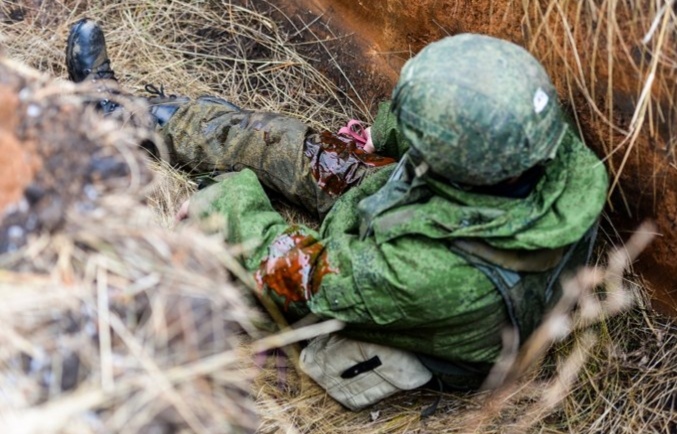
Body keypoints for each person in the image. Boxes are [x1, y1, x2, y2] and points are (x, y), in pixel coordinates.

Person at [67, 19, 608, 409]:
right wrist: (384, 136)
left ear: (456, 167)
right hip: (450, 222)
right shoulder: (545, 145)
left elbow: (306, 274)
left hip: (413, 315)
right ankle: (126, 115)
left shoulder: (429, 274)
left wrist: (228, 202)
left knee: (233, 277)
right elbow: (442, 130)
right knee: (294, 147)